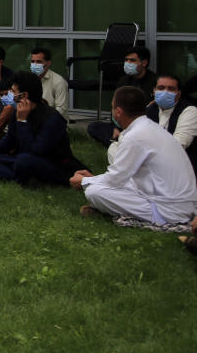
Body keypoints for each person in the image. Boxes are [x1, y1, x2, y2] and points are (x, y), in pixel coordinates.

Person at [70, 86, 197, 224]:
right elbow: (124, 176)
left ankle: (117, 212)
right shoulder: (149, 127)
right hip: (178, 202)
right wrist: (94, 178)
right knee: (101, 186)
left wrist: (83, 182)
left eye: (112, 108)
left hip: (168, 211)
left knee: (93, 192)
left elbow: (115, 179)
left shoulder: (135, 136)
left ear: (118, 112)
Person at [0, 71, 86, 186]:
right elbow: (9, 140)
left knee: (24, 161)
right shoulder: (17, 111)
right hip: (22, 158)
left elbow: (36, 150)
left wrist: (23, 121)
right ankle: (27, 179)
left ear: (24, 95)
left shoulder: (52, 118)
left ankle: (26, 178)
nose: (10, 94)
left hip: (50, 162)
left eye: (13, 91)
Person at [87, 46, 158, 146]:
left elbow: (152, 107)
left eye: (132, 60)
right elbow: (115, 105)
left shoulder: (154, 81)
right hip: (122, 123)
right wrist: (116, 126)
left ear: (144, 63)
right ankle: (121, 140)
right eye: (126, 60)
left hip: (142, 125)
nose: (128, 63)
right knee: (93, 127)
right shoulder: (123, 80)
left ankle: (121, 142)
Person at [146, 74, 197, 168]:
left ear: (179, 93)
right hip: (153, 164)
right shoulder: (150, 109)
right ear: (154, 91)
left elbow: (178, 145)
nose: (165, 92)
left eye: (171, 89)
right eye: (161, 88)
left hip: (183, 166)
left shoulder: (190, 110)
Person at [29, 47, 68, 120]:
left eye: (39, 62)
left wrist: (44, 120)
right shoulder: (28, 79)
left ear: (48, 63)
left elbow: (61, 109)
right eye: (32, 61)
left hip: (52, 121)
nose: (35, 64)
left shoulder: (59, 81)